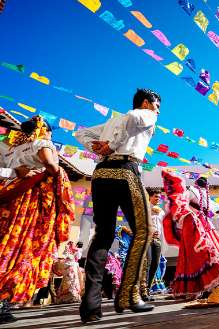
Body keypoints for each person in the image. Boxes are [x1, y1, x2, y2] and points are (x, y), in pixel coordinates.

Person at [76, 88, 161, 323]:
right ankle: (128, 295)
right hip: (125, 172)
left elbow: (80, 133)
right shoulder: (143, 115)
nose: (158, 111)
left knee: (102, 235)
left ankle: (91, 307)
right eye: (157, 106)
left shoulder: (112, 120)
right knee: (145, 231)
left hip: (101, 174)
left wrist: (97, 147)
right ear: (146, 103)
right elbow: (135, 118)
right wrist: (113, 145)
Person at [0, 116, 74, 323]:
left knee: (6, 244)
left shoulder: (12, 150)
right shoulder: (42, 142)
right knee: (24, 247)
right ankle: (2, 302)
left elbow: (7, 174)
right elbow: (50, 165)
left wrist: (20, 172)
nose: (51, 136)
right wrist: (58, 175)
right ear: (45, 130)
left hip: (9, 200)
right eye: (51, 132)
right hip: (31, 203)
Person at [161, 169, 219, 300]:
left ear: (196, 183)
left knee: (194, 256)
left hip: (194, 226)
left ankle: (200, 287)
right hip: (207, 226)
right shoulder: (208, 197)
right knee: (213, 253)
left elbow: (180, 205)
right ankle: (211, 286)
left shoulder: (191, 192)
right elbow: (212, 209)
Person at [143, 188, 165, 301]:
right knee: (148, 263)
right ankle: (143, 291)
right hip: (147, 239)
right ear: (150, 197)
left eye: (159, 197)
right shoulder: (145, 208)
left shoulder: (161, 211)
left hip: (157, 240)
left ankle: (148, 289)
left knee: (155, 265)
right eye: (156, 196)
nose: (158, 199)